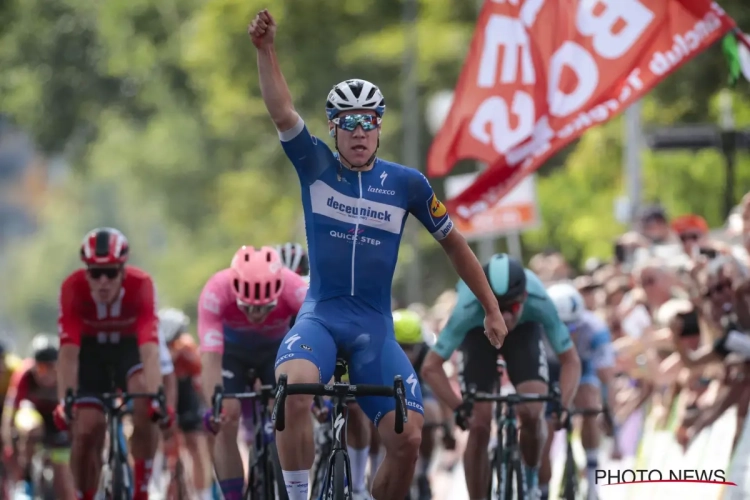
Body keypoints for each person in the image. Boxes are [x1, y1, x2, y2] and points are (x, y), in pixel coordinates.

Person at [248, 9, 507, 500]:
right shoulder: (315, 164)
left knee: (409, 438)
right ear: (333, 128)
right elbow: (283, 111)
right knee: (293, 387)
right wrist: (266, 51)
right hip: (321, 318)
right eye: (349, 123)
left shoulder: (407, 184)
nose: (360, 132)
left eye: (368, 121)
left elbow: (455, 243)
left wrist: (492, 307)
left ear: (379, 125)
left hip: (373, 328)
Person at [421, 254, 580, 500]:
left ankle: (530, 483)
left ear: (524, 298)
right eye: (497, 306)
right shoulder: (467, 306)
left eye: (512, 307)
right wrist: (459, 408)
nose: (505, 317)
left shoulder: (539, 300)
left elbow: (570, 360)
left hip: (524, 333)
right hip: (478, 332)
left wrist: (563, 404)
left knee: (532, 411)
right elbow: (431, 367)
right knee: (479, 425)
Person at [54, 227, 173, 500]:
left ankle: (141, 489)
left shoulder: (141, 284)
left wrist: (156, 397)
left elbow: (150, 348)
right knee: (87, 428)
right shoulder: (72, 287)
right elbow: (68, 354)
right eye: (96, 273)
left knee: (145, 396)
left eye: (111, 273)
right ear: (86, 273)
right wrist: (64, 401)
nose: (103, 281)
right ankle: (84, 493)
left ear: (123, 270)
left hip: (128, 349)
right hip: (89, 355)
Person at [198, 245, 308, 500]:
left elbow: (315, 343)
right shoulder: (216, 290)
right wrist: (214, 407)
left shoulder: (295, 288)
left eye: (266, 307)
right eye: (247, 307)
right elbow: (211, 358)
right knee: (227, 416)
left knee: (287, 408)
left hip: (276, 350)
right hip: (231, 354)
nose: (256, 315)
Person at [544, 283, 618, 500]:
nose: (567, 334)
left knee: (589, 402)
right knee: (542, 427)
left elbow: (606, 377)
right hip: (548, 370)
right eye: (560, 328)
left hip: (581, 365)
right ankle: (539, 486)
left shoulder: (595, 328)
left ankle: (593, 478)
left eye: (573, 328)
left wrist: (606, 411)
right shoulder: (537, 327)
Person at [2, 334, 75, 499]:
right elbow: (10, 413)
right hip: (33, 414)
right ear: (33, 367)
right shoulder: (24, 376)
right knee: (32, 429)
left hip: (59, 419)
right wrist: (9, 446)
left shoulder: (68, 376)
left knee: (63, 483)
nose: (46, 374)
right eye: (41, 369)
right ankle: (26, 481)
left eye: (52, 368)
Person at [392, 309, 449, 500]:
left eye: (411, 347)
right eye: (402, 347)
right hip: (389, 387)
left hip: (417, 387)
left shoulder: (428, 351)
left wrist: (448, 427)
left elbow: (441, 391)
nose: (407, 355)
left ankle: (423, 472)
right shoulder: (383, 349)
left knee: (431, 412)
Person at [158, 308, 213, 500]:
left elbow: (200, 381)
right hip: (164, 394)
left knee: (196, 443)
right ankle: (163, 480)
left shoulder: (187, 348)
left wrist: (208, 407)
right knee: (161, 440)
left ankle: (203, 494)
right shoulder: (154, 348)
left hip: (187, 396)